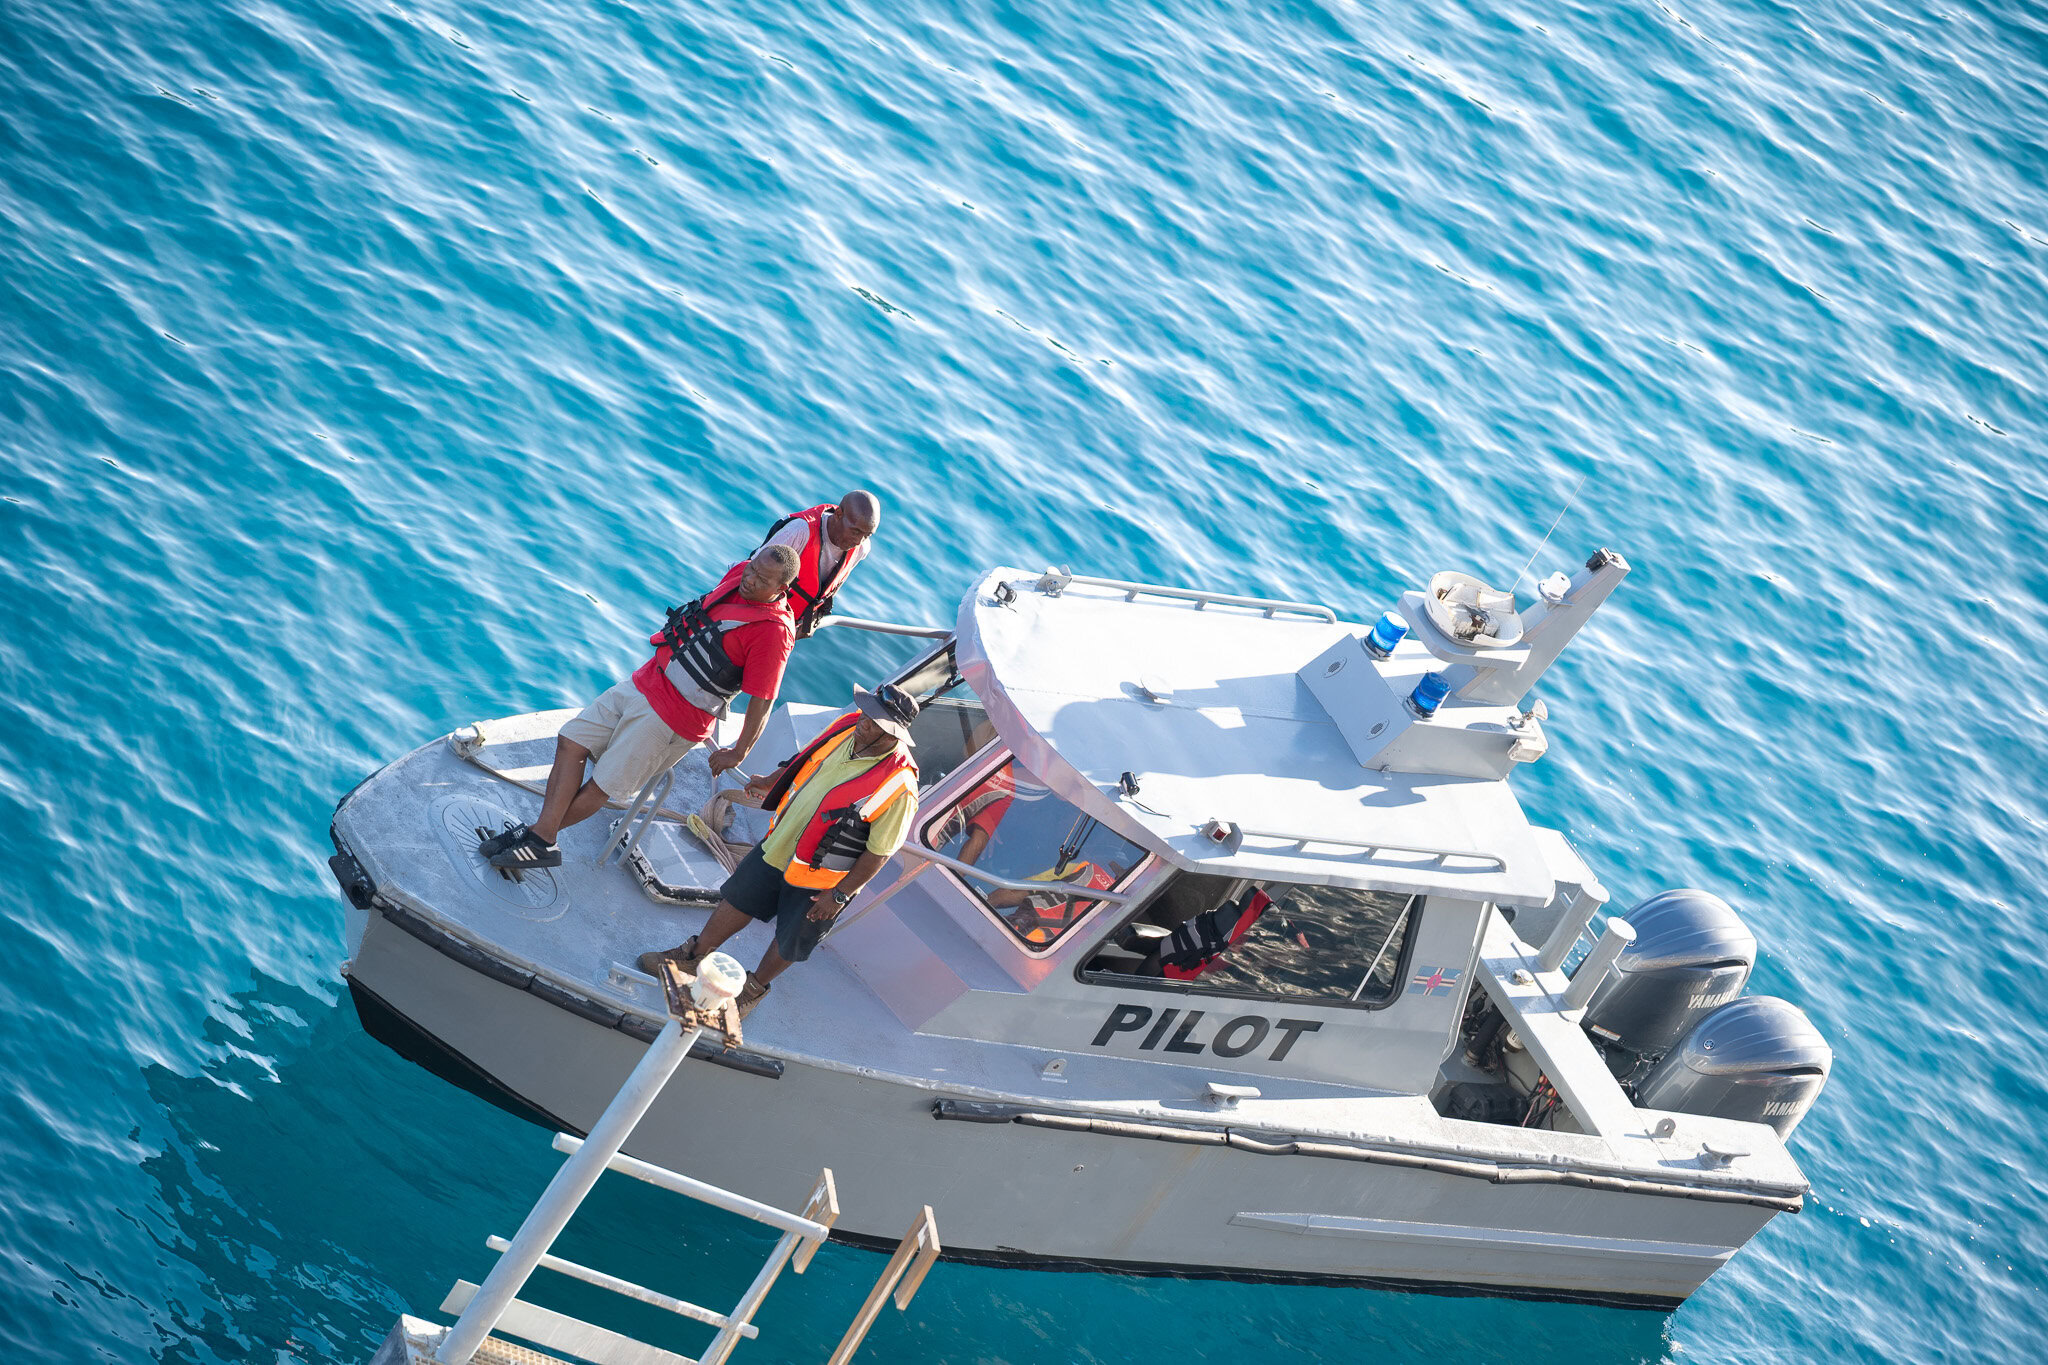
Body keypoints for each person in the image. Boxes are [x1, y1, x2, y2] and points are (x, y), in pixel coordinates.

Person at [482, 544, 800, 870]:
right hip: (644, 682)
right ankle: (541, 837)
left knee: (603, 784)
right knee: (571, 741)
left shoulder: (773, 633)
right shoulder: (739, 576)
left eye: (762, 579)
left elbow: (763, 700)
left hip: (674, 717)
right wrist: (748, 573)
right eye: (751, 569)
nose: (749, 579)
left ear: (782, 588)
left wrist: (740, 751)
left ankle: (539, 839)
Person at [639, 681, 923, 1018]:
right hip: (781, 842)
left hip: (822, 881)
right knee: (739, 897)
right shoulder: (846, 727)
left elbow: (879, 853)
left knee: (793, 937)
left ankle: (752, 990)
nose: (864, 720)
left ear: (892, 737)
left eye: (875, 722)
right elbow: (806, 760)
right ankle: (694, 955)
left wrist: (841, 895)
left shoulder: (900, 787)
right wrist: (771, 780)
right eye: (867, 712)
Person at [759, 490, 880, 637]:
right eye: (855, 531)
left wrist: (811, 619)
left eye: (867, 535)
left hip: (786, 630)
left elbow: (833, 585)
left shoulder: (862, 548)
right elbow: (750, 573)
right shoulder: (799, 531)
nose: (858, 541)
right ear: (838, 515)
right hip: (756, 619)